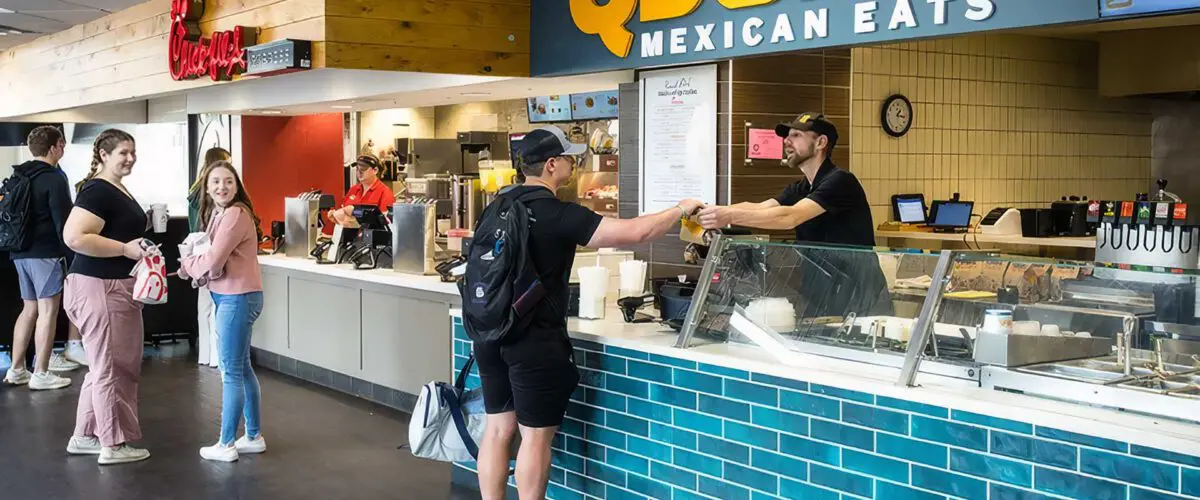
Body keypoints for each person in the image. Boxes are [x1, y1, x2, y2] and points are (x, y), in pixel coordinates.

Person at [474, 126, 704, 500]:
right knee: (534, 437)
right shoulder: (556, 213)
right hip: (534, 337)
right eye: (569, 158)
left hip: (490, 331)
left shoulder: (498, 205)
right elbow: (635, 233)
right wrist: (681, 208)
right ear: (551, 165)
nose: (574, 163)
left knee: (498, 430)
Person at [697, 112, 890, 315]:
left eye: (797, 135)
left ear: (821, 142)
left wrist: (728, 217)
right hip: (823, 293)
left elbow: (789, 217)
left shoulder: (840, 181)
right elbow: (762, 207)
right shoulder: (802, 187)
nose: (786, 141)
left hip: (858, 296)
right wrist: (711, 210)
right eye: (787, 136)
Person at [62, 129, 154, 465]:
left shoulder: (113, 189)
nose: (129, 158)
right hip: (99, 287)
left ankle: (84, 436)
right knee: (111, 370)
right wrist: (124, 249)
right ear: (103, 154)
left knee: (106, 367)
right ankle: (112, 445)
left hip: (111, 286)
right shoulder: (98, 191)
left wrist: (135, 249)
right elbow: (74, 236)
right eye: (123, 153)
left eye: (132, 152)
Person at [180, 160, 267, 462]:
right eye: (215, 181)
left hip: (236, 298)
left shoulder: (234, 214)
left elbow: (214, 260)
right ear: (206, 187)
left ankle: (226, 443)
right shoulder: (220, 214)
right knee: (241, 368)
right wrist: (196, 266)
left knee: (230, 372)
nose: (222, 187)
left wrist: (187, 266)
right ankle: (253, 436)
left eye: (228, 181)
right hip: (233, 296)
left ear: (237, 185)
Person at [3, 125, 77, 390]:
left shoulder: (19, 176)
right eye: (62, 145)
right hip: (45, 254)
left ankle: (16, 369)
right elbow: (64, 222)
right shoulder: (54, 178)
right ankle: (41, 372)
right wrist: (73, 255)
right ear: (55, 146)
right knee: (48, 311)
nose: (63, 149)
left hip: (19, 252)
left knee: (29, 309)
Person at [188, 147, 232, 369]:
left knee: (203, 306)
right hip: (211, 250)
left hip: (196, 249)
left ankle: (204, 354)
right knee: (215, 308)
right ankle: (217, 356)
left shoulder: (195, 190)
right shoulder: (215, 197)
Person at [329, 155, 394, 228]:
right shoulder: (353, 189)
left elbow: (385, 222)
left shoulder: (385, 192)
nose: (359, 172)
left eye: (363, 169)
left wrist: (355, 212)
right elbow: (344, 215)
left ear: (375, 170)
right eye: (357, 169)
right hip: (349, 237)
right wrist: (336, 218)